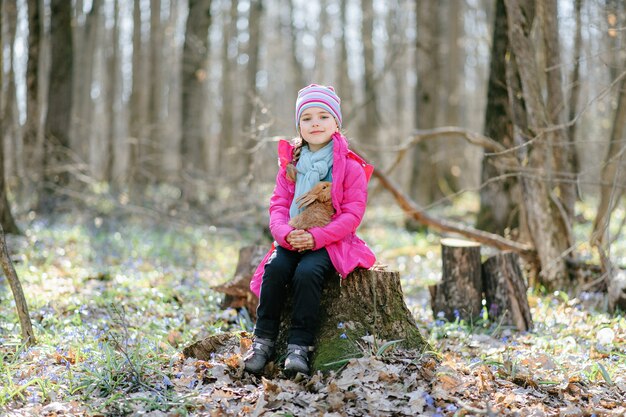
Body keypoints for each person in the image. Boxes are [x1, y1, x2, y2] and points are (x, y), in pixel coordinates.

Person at [245, 84, 376, 375]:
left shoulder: (350, 167)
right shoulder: (291, 164)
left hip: (331, 241)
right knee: (276, 268)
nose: (315, 123)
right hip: (293, 236)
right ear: (299, 125)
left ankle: (299, 347)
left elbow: (353, 213)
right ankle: (263, 341)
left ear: (336, 123)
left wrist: (316, 237)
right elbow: (278, 205)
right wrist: (285, 234)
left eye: (323, 116)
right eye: (307, 118)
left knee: (307, 272)